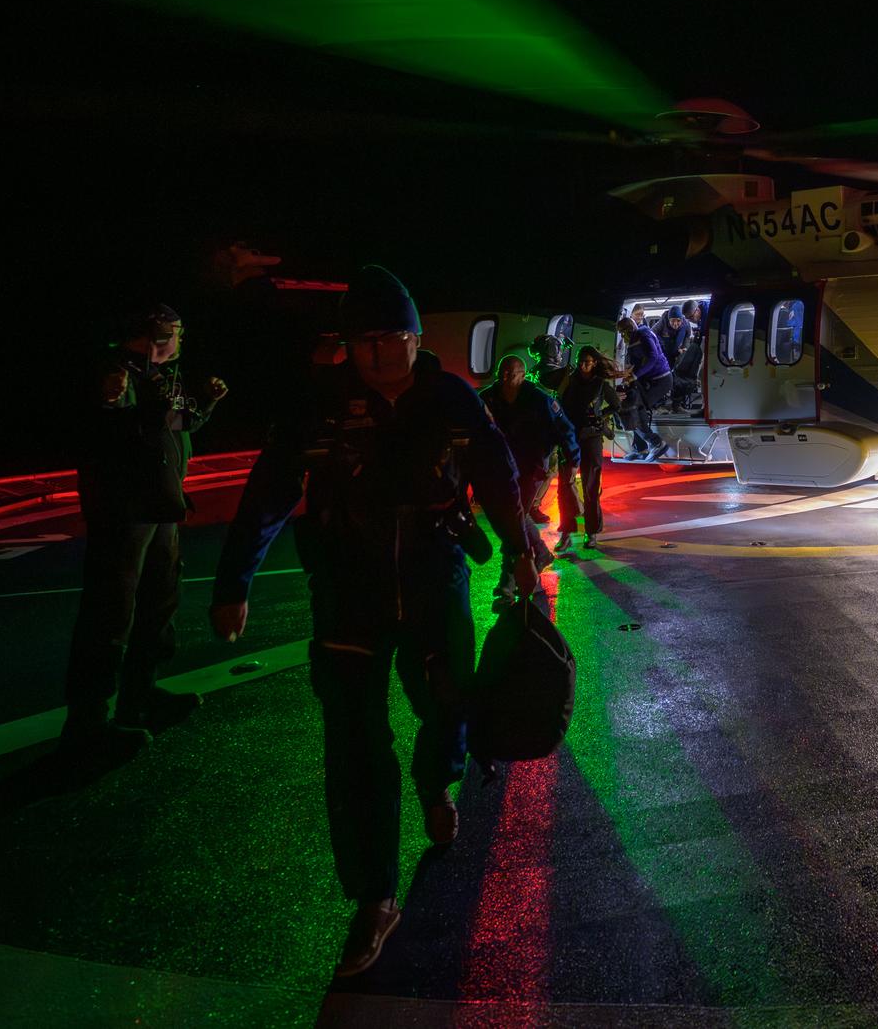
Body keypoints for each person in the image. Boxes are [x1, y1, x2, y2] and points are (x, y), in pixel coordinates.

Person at [210, 266, 534, 977]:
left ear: (417, 338)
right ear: (348, 347)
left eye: (393, 338)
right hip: (347, 592)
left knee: (448, 704)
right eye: (365, 341)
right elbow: (271, 489)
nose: (380, 353)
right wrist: (235, 582)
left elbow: (499, 475)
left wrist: (520, 554)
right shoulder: (319, 406)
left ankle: (435, 780)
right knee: (354, 745)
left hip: (434, 585)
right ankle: (376, 897)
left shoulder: (451, 398)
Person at [63, 304, 226, 760]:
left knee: (158, 601)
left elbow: (176, 424)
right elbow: (107, 427)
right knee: (111, 612)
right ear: (152, 335)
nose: (177, 341)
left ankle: (140, 695)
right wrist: (120, 399)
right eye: (171, 333)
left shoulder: (159, 376)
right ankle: (88, 721)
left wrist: (205, 403)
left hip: (161, 507)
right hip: (124, 511)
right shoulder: (114, 374)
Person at [479, 353, 577, 606]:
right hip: (500, 467)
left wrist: (572, 460)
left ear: (523, 376)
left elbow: (565, 428)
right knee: (513, 518)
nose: (505, 377)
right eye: (502, 372)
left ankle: (506, 585)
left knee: (514, 518)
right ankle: (541, 553)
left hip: (531, 467)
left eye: (511, 373)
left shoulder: (539, 399)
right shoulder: (488, 398)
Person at [552, 345, 623, 553]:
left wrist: (601, 417)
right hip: (570, 437)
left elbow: (616, 405)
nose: (583, 365)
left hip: (591, 438)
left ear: (594, 364)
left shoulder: (600, 384)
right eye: (581, 361)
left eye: (587, 362)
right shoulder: (568, 381)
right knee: (564, 485)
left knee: (591, 487)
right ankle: (566, 531)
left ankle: (591, 531)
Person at [615, 314, 672, 460]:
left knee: (635, 408)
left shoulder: (643, 334)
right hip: (649, 380)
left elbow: (653, 357)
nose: (622, 335)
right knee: (628, 406)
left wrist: (635, 375)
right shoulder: (635, 338)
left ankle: (656, 443)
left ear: (629, 329)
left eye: (623, 332)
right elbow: (636, 362)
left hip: (661, 380)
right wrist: (628, 376)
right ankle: (640, 448)